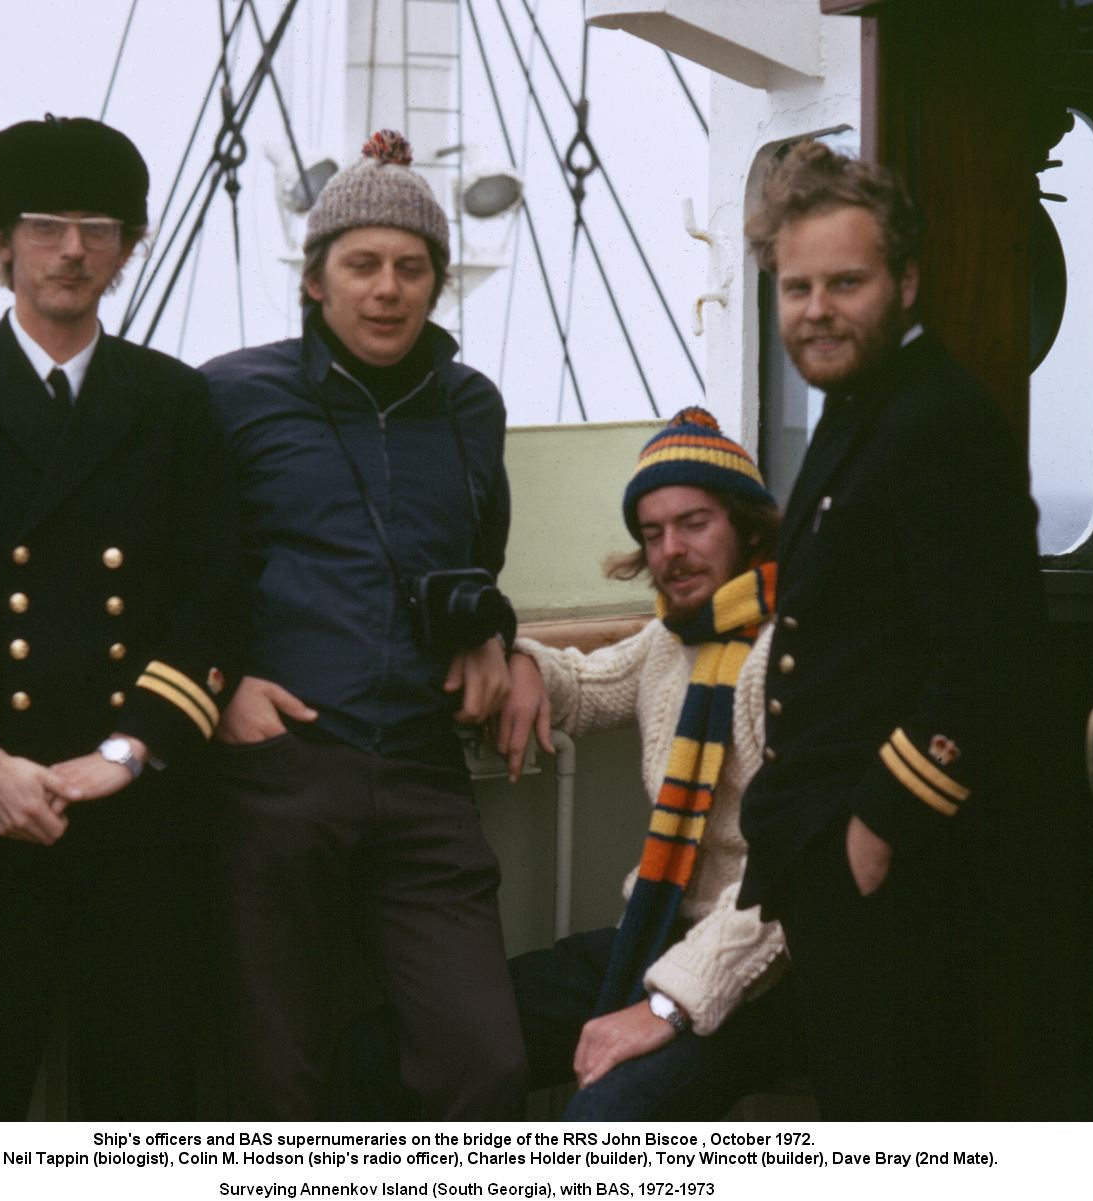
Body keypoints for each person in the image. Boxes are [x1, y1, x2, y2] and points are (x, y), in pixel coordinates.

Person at [0, 115, 244, 1120]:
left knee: (144, 1093)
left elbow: (213, 594)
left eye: (98, 226)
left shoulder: (172, 402)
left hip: (138, 810)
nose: (71, 249)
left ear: (127, 247)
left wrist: (125, 753)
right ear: (0, 243)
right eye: (43, 225)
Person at [343, 409, 803, 1120]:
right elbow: (586, 687)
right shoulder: (671, 639)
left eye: (693, 524)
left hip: (761, 973)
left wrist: (668, 1003)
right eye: (652, 534)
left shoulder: (789, 655)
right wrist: (519, 655)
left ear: (747, 526)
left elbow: (795, 876)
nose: (670, 550)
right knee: (391, 1046)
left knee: (596, 1126)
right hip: (657, 935)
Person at [199, 129, 526, 1119]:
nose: (386, 289)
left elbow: (479, 552)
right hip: (283, 765)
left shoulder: (470, 404)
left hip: (424, 770)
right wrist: (220, 682)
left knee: (484, 1061)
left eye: (409, 267)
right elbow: (182, 565)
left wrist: (492, 635)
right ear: (314, 280)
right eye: (362, 265)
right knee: (274, 1075)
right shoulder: (229, 396)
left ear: (435, 282)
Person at [738, 140, 1044, 1119]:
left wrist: (876, 828)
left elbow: (987, 659)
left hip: (899, 865)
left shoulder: (936, 421)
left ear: (903, 282)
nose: (815, 309)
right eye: (796, 287)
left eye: (844, 282)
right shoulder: (857, 404)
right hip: (834, 858)